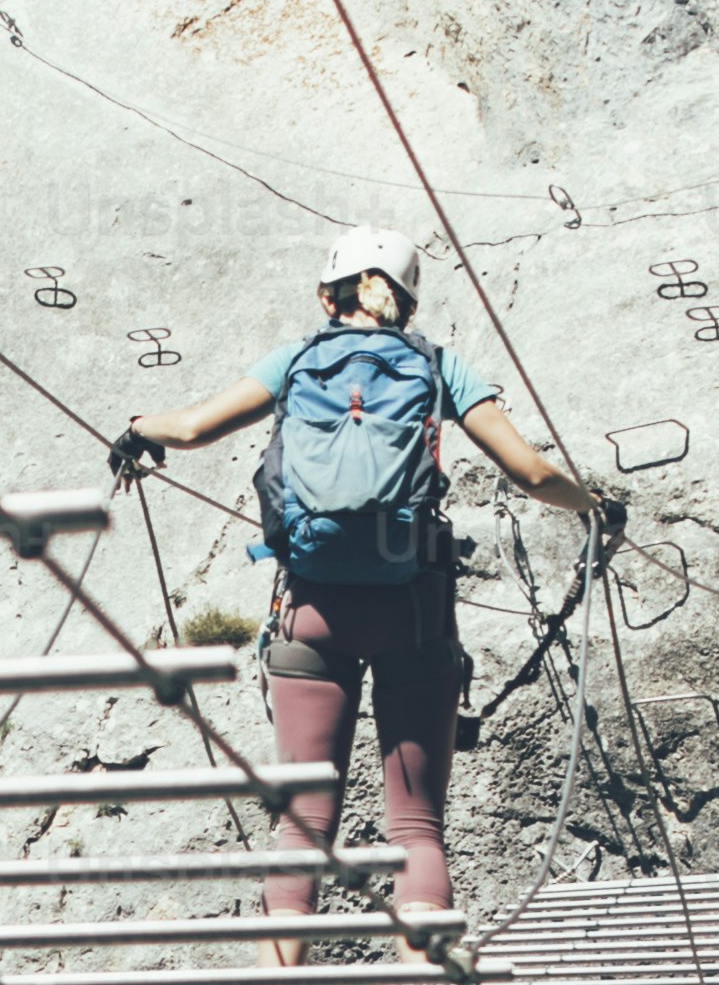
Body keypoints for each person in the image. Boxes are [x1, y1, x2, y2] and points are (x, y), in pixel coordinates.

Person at [114, 234, 612, 928]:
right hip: (413, 612)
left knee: (300, 832)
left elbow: (193, 427)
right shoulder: (438, 367)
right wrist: (593, 505)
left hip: (310, 610)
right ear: (406, 304)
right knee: (415, 830)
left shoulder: (294, 361)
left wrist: (139, 428)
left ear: (327, 296)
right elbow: (528, 472)